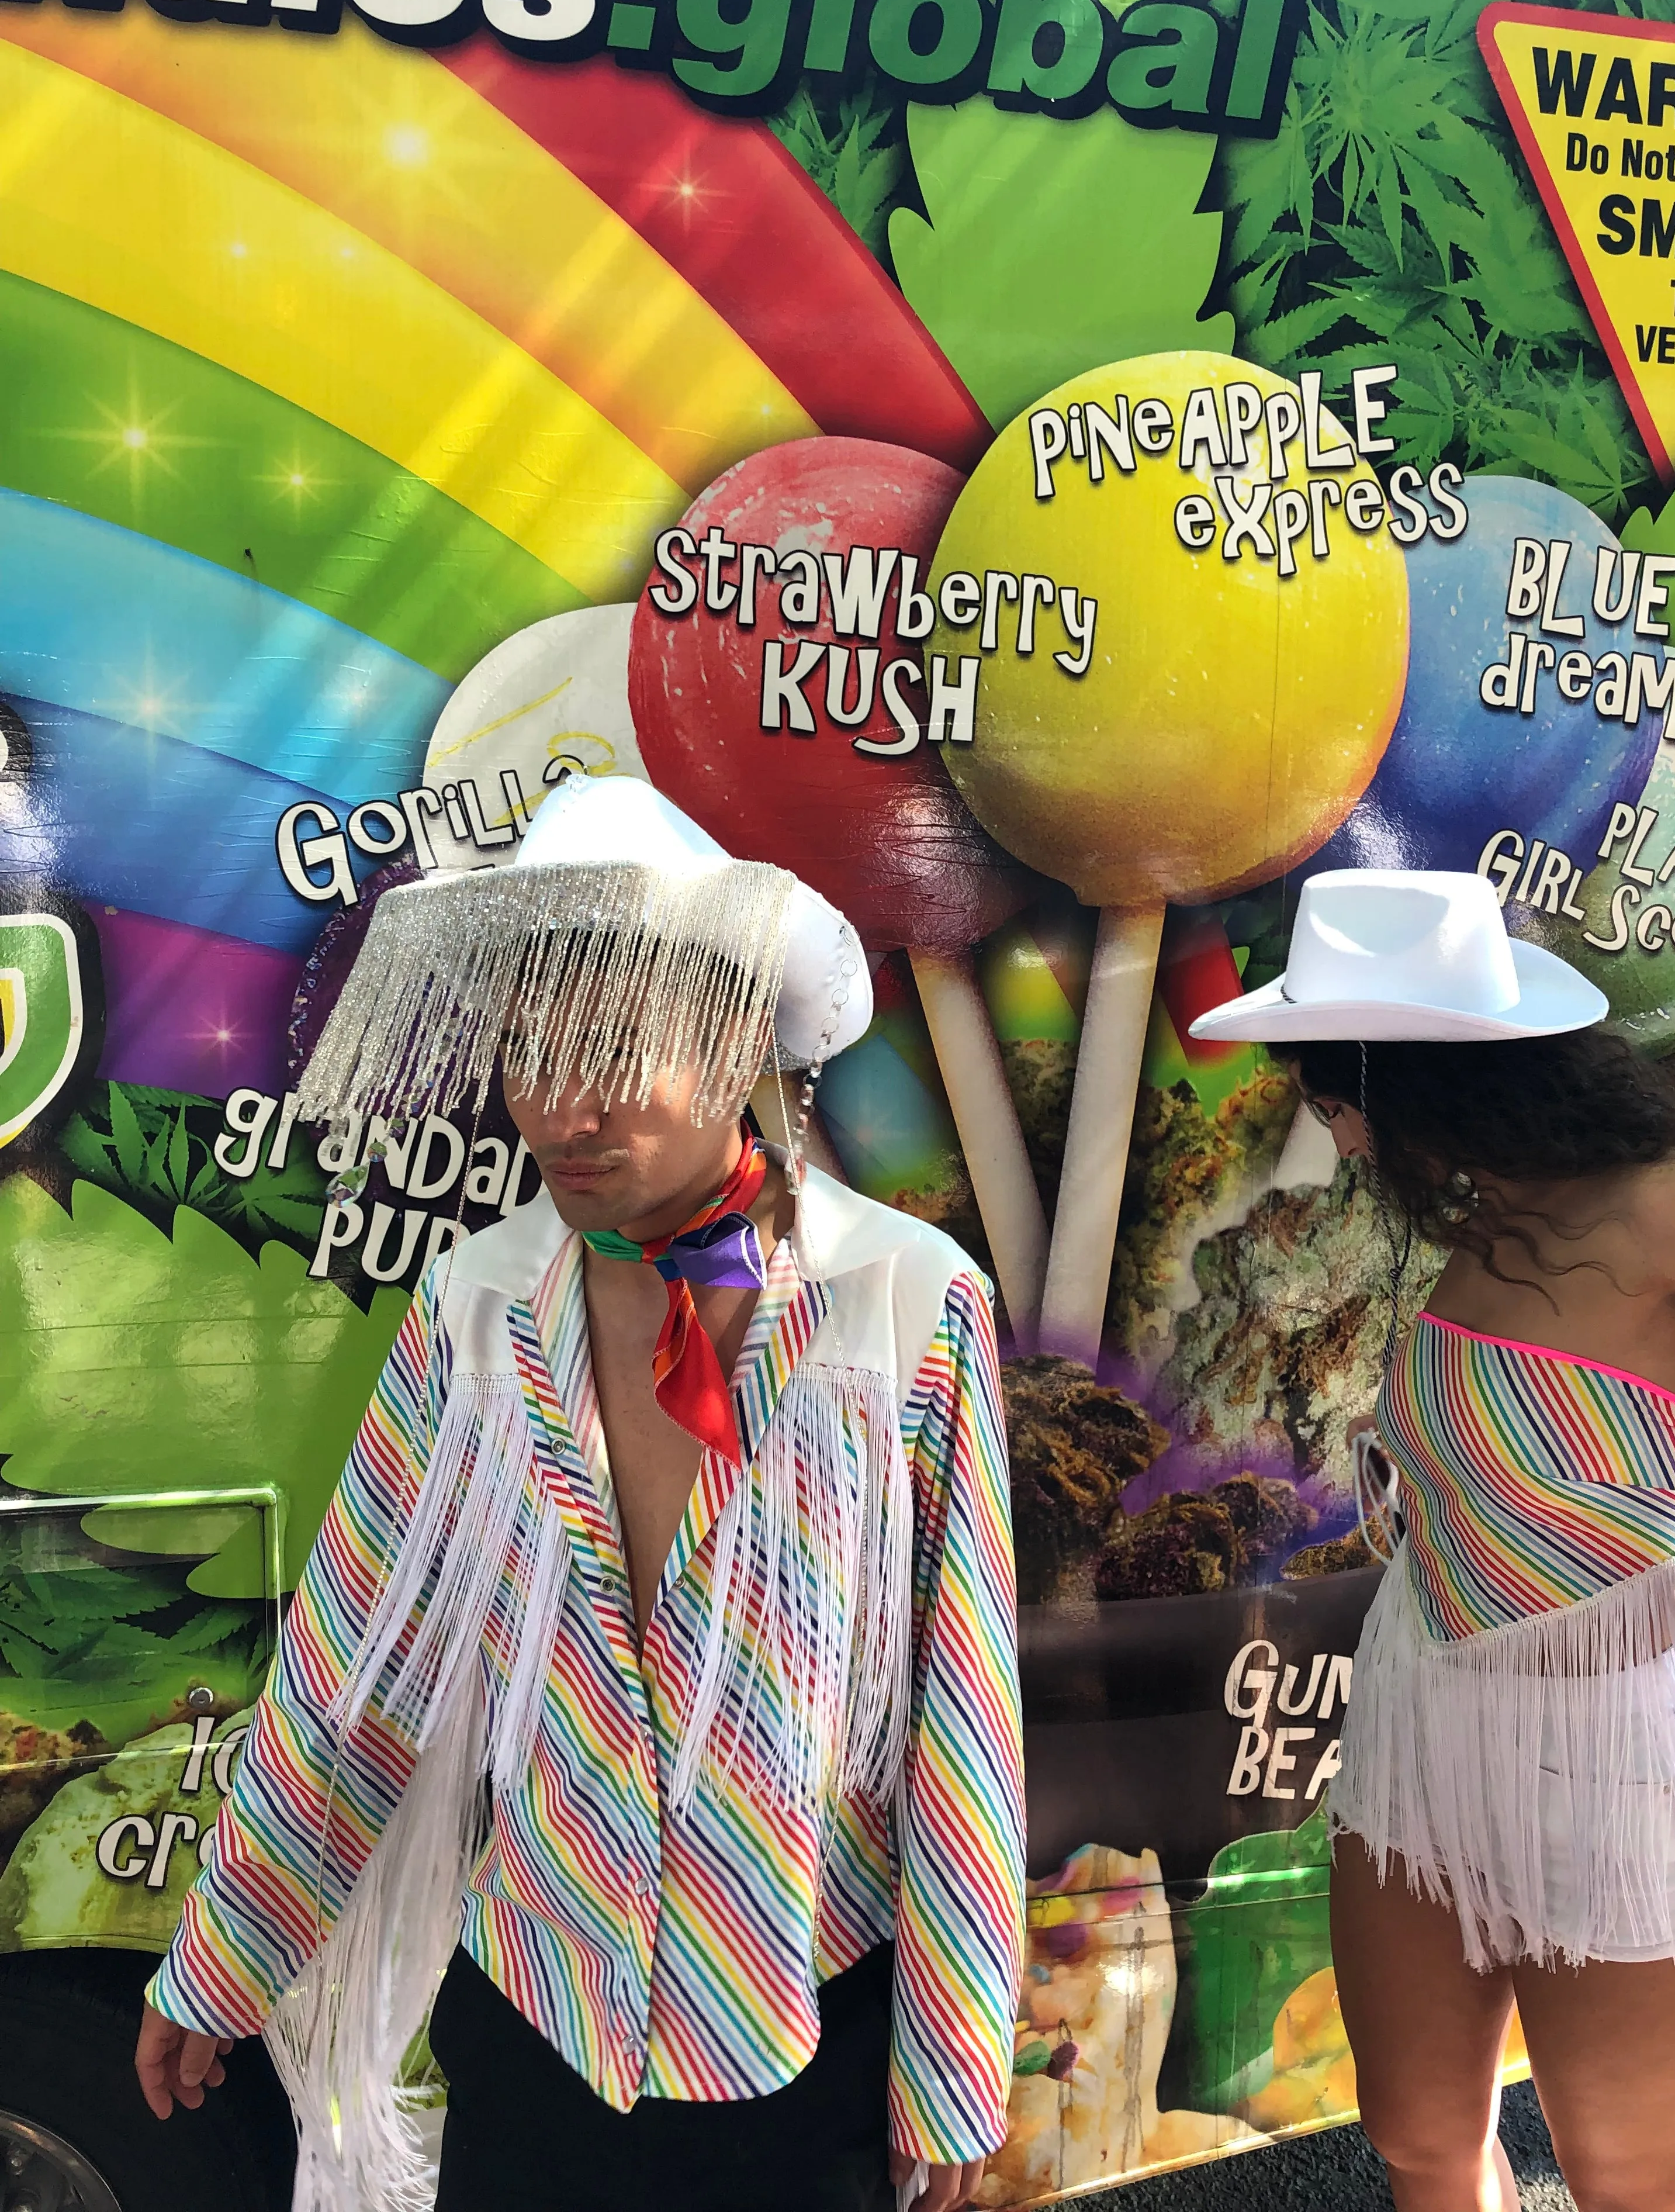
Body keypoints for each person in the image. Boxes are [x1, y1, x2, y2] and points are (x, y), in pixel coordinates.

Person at [134, 776, 1025, 2212]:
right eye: (532, 1048)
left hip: (800, 2040)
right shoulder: (479, 1310)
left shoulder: (907, 1310)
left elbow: (961, 1723)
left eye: (615, 1045)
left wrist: (953, 2066)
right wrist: (227, 1955)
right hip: (536, 2028)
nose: (563, 1107)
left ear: (738, 1031)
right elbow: (357, 1667)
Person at [1191, 867, 1675, 2212]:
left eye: (1333, 1104)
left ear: (1410, 1088)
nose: (1332, 1141)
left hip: (1608, 1746)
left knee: (1629, 2182)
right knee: (1417, 2139)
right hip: (1417, 1731)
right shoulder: (1493, 1214)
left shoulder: (1670, 1205)